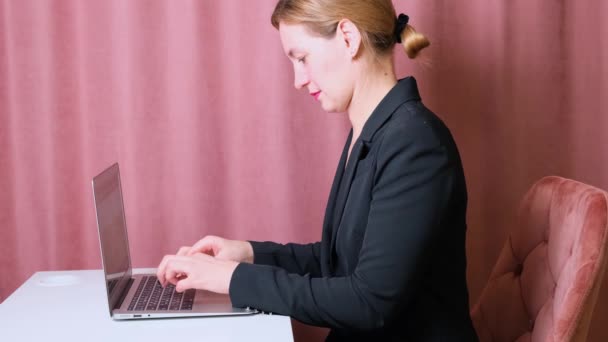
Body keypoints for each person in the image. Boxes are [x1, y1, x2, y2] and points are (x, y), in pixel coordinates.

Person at [157, 0, 479, 340]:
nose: (298, 79)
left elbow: (367, 302)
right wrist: (248, 253)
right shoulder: (372, 131)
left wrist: (232, 279)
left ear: (348, 37)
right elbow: (338, 263)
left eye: (302, 58)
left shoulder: (416, 144)